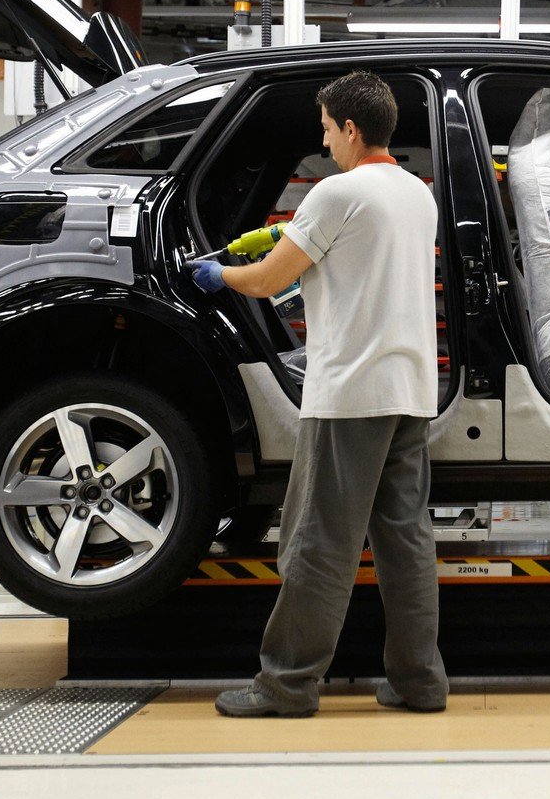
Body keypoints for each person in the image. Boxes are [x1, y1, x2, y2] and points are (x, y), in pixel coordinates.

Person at [187, 70, 448, 717]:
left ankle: (286, 686)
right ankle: (420, 683)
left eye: (328, 129)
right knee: (405, 542)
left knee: (319, 542)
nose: (325, 140)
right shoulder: (418, 195)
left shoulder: (337, 193)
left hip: (350, 393)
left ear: (351, 129)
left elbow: (268, 281)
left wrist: (218, 273)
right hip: (410, 390)